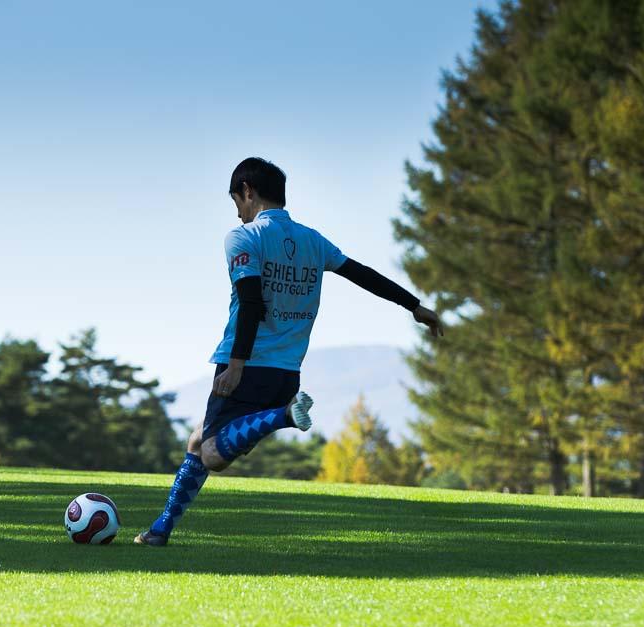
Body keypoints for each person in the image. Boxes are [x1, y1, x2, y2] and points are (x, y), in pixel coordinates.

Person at [134, 157, 444, 546]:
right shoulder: (312, 240)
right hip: (287, 371)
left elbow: (250, 302)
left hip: (245, 363)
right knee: (198, 441)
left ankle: (284, 415)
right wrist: (414, 306)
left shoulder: (242, 237)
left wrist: (235, 365)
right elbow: (362, 273)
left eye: (237, 201)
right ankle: (160, 531)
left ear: (247, 191)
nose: (238, 212)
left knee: (212, 455)